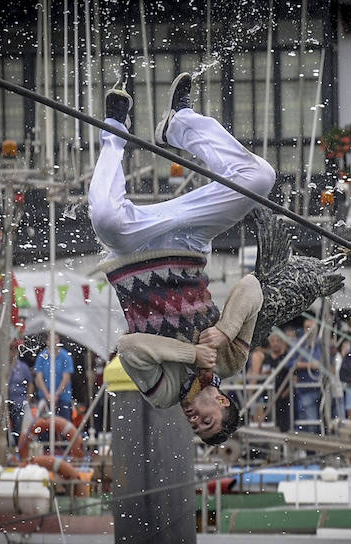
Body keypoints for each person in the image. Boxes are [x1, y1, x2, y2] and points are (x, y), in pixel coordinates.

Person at [91, 74, 275, 446]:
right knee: (260, 177)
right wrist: (224, 331)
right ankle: (180, 124)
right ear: (222, 401)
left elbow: (129, 348)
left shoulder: (162, 394)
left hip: (132, 252)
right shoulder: (229, 361)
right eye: (206, 423)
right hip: (189, 243)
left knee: (106, 220)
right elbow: (251, 287)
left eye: (196, 428)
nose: (195, 422)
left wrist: (191, 354)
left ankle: (114, 129)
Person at [34, 334, 74, 422]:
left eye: (55, 339)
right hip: (45, 397)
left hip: (63, 398)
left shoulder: (66, 357)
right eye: (51, 340)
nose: (53, 342)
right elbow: (39, 377)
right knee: (44, 429)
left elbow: (66, 378)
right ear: (47, 342)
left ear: (59, 341)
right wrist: (47, 395)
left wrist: (56, 395)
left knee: (65, 426)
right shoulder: (42, 357)